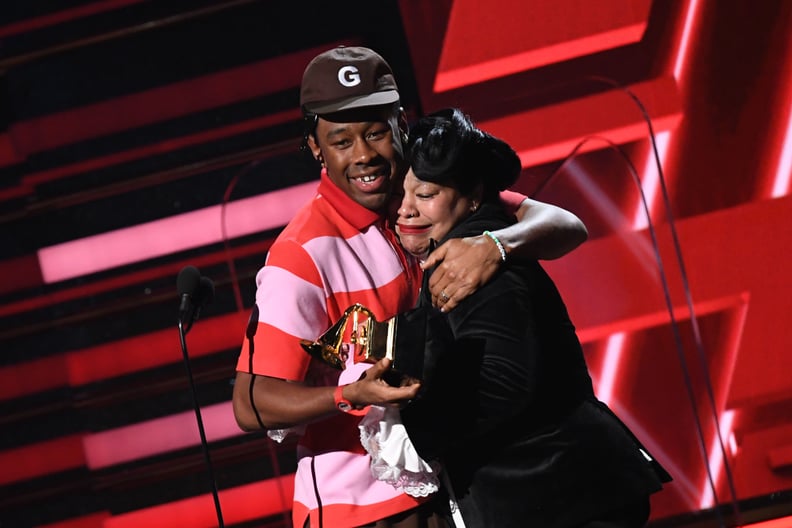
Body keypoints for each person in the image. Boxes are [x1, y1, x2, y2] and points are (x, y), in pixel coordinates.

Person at [232, 46, 588, 528]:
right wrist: (350, 394)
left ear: (401, 122)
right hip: (361, 512)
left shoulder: (424, 189)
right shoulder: (302, 253)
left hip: (463, 488)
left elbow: (565, 225)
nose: (364, 155)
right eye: (341, 141)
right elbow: (251, 403)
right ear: (315, 147)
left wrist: (496, 245)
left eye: (376, 132)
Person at [391, 108, 672, 528]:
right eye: (402, 195)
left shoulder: (467, 259)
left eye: (426, 195)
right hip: (564, 491)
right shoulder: (461, 240)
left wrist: (411, 433)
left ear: (471, 197)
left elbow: (503, 382)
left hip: (562, 495)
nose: (406, 211)